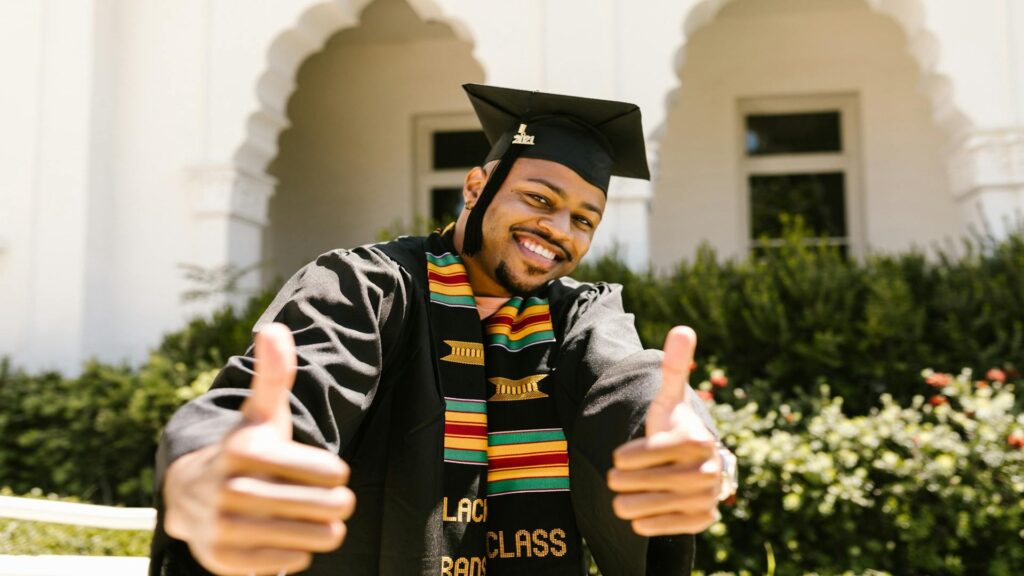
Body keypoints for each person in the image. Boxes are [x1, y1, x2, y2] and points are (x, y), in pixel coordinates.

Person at [150, 84, 738, 576]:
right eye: (539, 198)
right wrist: (209, 463)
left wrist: (689, 444)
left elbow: (629, 378)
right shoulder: (366, 287)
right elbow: (283, 392)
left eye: (585, 219)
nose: (560, 228)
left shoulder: (578, 315)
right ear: (476, 188)